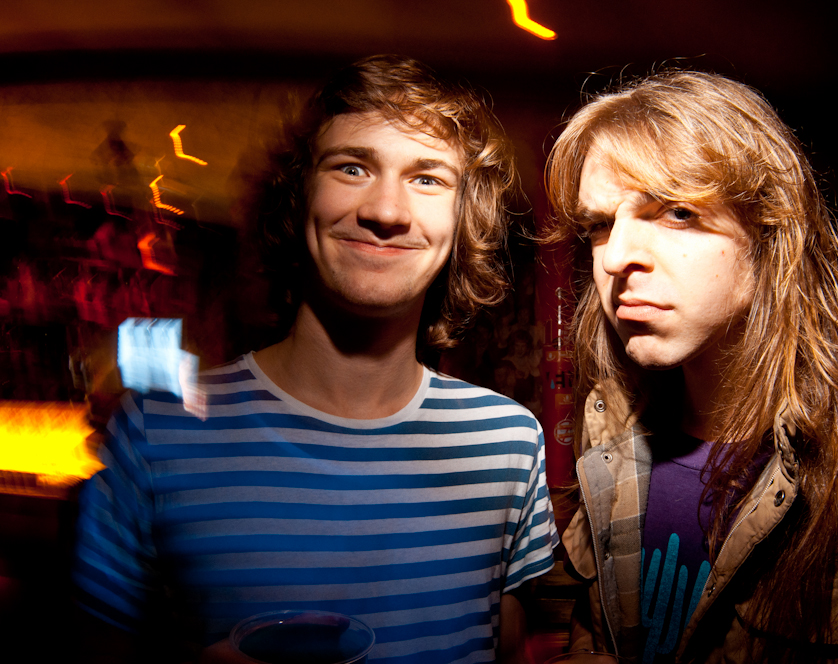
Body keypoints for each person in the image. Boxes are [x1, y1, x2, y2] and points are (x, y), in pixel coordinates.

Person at [73, 55, 558, 664]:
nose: (386, 211)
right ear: (298, 196)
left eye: (428, 179)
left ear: (464, 221)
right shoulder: (155, 434)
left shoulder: (507, 442)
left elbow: (506, 648)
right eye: (352, 167)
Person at [544, 70, 838, 662]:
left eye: (676, 213)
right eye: (599, 225)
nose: (616, 257)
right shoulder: (610, 434)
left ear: (771, 234)